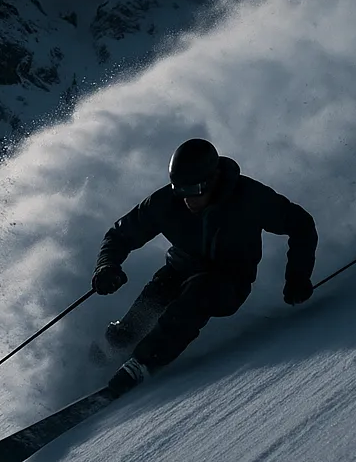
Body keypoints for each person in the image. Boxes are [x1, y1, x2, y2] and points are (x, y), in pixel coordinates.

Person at [91, 138, 318, 396]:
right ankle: (117, 348)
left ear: (213, 179)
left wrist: (298, 277)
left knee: (197, 295)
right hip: (180, 270)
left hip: (228, 281)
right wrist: (107, 265)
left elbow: (301, 224)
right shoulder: (167, 202)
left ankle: (143, 363)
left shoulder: (247, 197)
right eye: (180, 189)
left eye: (195, 189)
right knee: (158, 291)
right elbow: (119, 235)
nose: (188, 198)